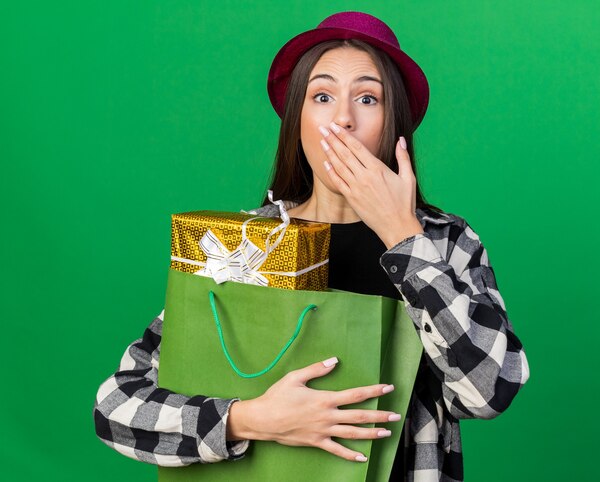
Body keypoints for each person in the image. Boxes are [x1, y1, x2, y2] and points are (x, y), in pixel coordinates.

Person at [93, 11, 530, 481]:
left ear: (394, 123)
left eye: (368, 98)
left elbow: (488, 392)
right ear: (296, 120)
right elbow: (116, 406)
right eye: (322, 96)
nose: (343, 118)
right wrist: (248, 419)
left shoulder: (443, 242)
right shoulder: (246, 244)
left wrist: (404, 237)